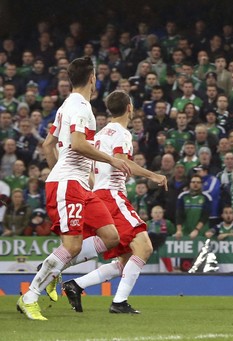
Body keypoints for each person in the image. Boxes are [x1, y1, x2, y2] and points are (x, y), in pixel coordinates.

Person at [18, 56, 131, 321]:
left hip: (78, 184)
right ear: (92, 78)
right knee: (71, 246)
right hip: (68, 184)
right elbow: (79, 145)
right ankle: (30, 296)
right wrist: (111, 160)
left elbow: (48, 145)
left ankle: (53, 270)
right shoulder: (81, 107)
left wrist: (71, 172)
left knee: (111, 235)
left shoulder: (66, 105)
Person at [61, 90, 167, 314]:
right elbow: (122, 162)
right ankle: (118, 302)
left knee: (127, 258)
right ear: (130, 108)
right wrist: (154, 176)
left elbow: (91, 170)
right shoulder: (121, 133)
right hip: (111, 195)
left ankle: (76, 284)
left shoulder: (99, 135)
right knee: (145, 247)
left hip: (98, 194)